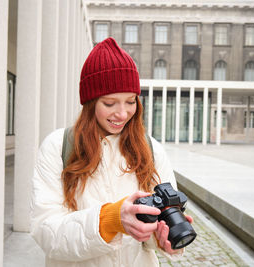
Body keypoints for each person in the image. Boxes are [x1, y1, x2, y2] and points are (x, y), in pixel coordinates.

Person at [30, 37, 192, 266]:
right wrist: (111, 220)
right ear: (90, 102)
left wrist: (163, 240)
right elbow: (46, 232)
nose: (123, 113)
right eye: (109, 103)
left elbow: (155, 233)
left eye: (130, 101)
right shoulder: (57, 147)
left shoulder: (151, 149)